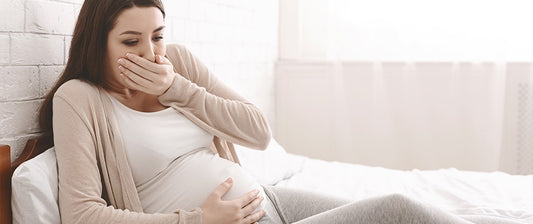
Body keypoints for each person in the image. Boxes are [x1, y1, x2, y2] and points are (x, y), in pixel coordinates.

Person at [39, 0, 493, 223]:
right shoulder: (79, 98)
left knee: (407, 211)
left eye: (157, 35)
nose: (152, 53)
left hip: (270, 202)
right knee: (397, 209)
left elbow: (257, 132)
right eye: (131, 42)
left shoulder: (178, 64)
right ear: (96, 43)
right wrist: (201, 220)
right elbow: (83, 215)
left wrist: (178, 87)